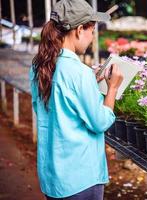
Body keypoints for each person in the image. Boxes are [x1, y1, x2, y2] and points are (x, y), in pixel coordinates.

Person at [29, 0, 123, 199]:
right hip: (81, 178)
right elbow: (101, 122)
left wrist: (90, 84)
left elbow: (50, 110)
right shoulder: (78, 73)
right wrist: (112, 88)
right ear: (80, 30)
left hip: (53, 177)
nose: (92, 37)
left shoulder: (39, 66)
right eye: (92, 31)